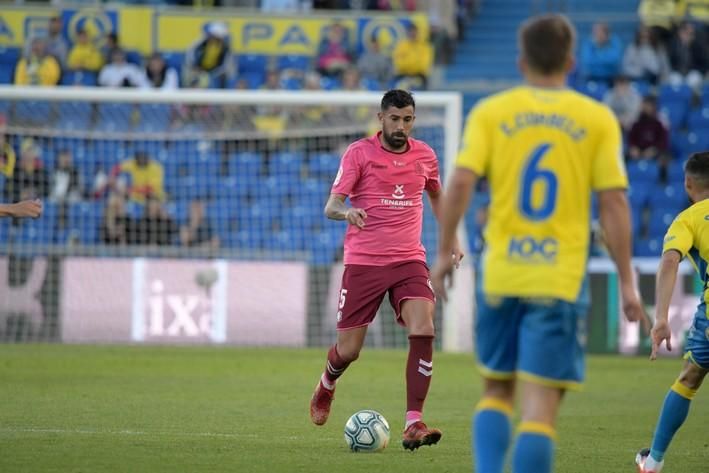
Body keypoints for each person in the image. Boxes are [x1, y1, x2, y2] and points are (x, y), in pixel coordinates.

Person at [430, 15, 647, 473]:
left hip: (501, 272)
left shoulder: (491, 112)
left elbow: (461, 182)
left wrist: (444, 250)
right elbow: (615, 205)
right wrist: (628, 283)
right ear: (571, 61)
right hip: (558, 279)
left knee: (496, 393)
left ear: (521, 61)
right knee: (541, 409)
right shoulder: (596, 118)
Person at [309, 89, 464, 451]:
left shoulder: (425, 155)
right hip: (364, 262)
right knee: (349, 351)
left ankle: (414, 422)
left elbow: (438, 196)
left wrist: (450, 239)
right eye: (394, 119)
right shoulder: (359, 153)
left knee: (424, 326)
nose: (401, 126)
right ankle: (326, 385)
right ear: (381, 118)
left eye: (407, 119)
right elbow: (331, 205)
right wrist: (348, 213)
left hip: (409, 259)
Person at [635, 151, 709, 473]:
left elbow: (668, 261)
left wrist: (661, 318)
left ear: (687, 183)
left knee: (688, 379)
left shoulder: (688, 218)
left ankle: (653, 462)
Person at [578, 21, 623, 86]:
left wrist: (597, 55)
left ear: (606, 33)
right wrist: (604, 57)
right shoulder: (588, 42)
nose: (595, 34)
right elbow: (586, 61)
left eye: (598, 31)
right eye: (594, 32)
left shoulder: (614, 41)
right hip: (592, 77)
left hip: (611, 78)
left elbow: (615, 60)